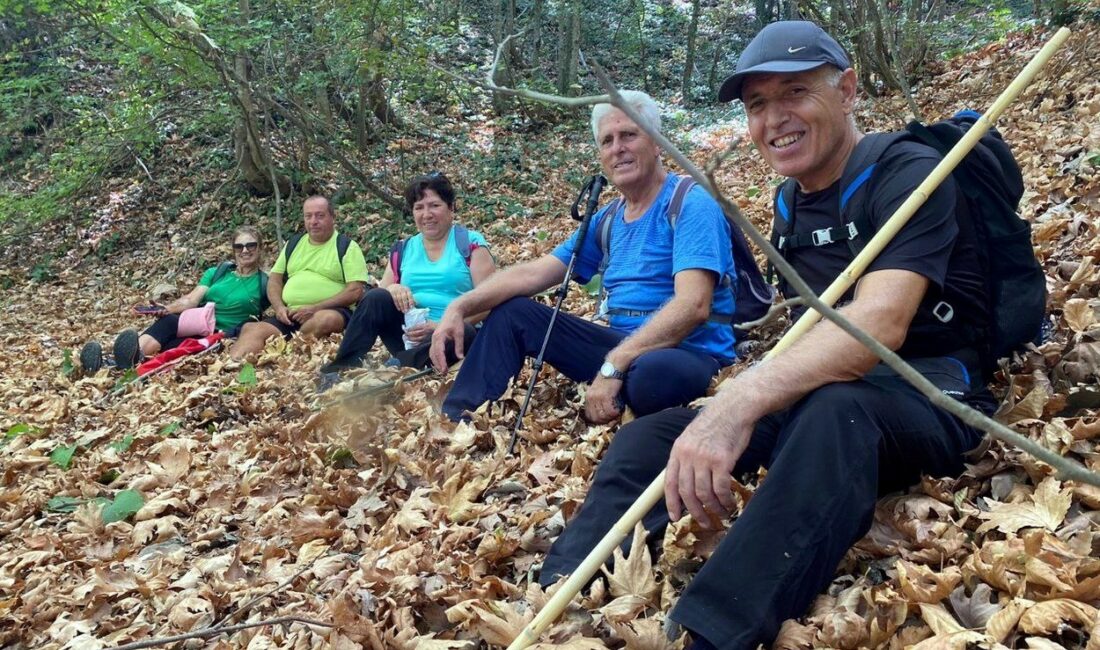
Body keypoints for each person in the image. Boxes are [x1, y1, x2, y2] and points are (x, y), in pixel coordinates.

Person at [539, 21, 995, 650]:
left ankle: (712, 630)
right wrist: (727, 412)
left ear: (847, 90)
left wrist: (741, 400)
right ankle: (558, 591)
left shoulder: (908, 172)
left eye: (795, 92)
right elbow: (811, 329)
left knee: (835, 413)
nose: (774, 118)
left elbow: (878, 325)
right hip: (827, 390)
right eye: (757, 104)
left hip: (931, 391)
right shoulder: (789, 204)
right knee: (651, 436)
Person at [429, 90, 738, 424]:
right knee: (513, 313)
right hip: (622, 347)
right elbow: (533, 274)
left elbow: (693, 305)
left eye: (629, 135)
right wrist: (459, 307)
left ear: (657, 143)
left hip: (686, 352)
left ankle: (622, 388)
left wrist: (614, 365)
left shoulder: (690, 203)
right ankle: (456, 420)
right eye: (607, 141)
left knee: (652, 376)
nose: (617, 148)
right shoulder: (608, 219)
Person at [318, 172, 495, 383]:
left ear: (451, 208)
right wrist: (393, 288)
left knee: (465, 332)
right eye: (419, 208)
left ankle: (396, 368)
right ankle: (341, 369)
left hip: (455, 334)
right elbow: (379, 296)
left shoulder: (470, 244)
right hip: (410, 335)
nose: (426, 214)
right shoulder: (403, 249)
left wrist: (443, 325)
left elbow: (489, 301)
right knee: (375, 297)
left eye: (434, 205)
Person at [80, 226, 270, 373]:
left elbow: (279, 306)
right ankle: (126, 359)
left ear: (260, 248)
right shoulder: (218, 272)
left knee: (174, 346)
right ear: (233, 250)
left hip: (221, 334)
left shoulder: (265, 282)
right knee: (169, 321)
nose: (245, 250)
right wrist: (167, 308)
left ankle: (119, 364)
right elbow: (191, 300)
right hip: (197, 323)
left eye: (251, 245)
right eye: (239, 246)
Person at [229, 195, 369, 360]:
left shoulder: (346, 247)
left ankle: (290, 353)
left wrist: (315, 308)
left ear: (333, 217)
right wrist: (279, 308)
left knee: (326, 319)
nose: (313, 221)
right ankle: (233, 366)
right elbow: (275, 279)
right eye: (308, 216)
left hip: (329, 311)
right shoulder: (294, 244)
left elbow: (355, 290)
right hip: (291, 316)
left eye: (320, 215)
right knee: (252, 329)